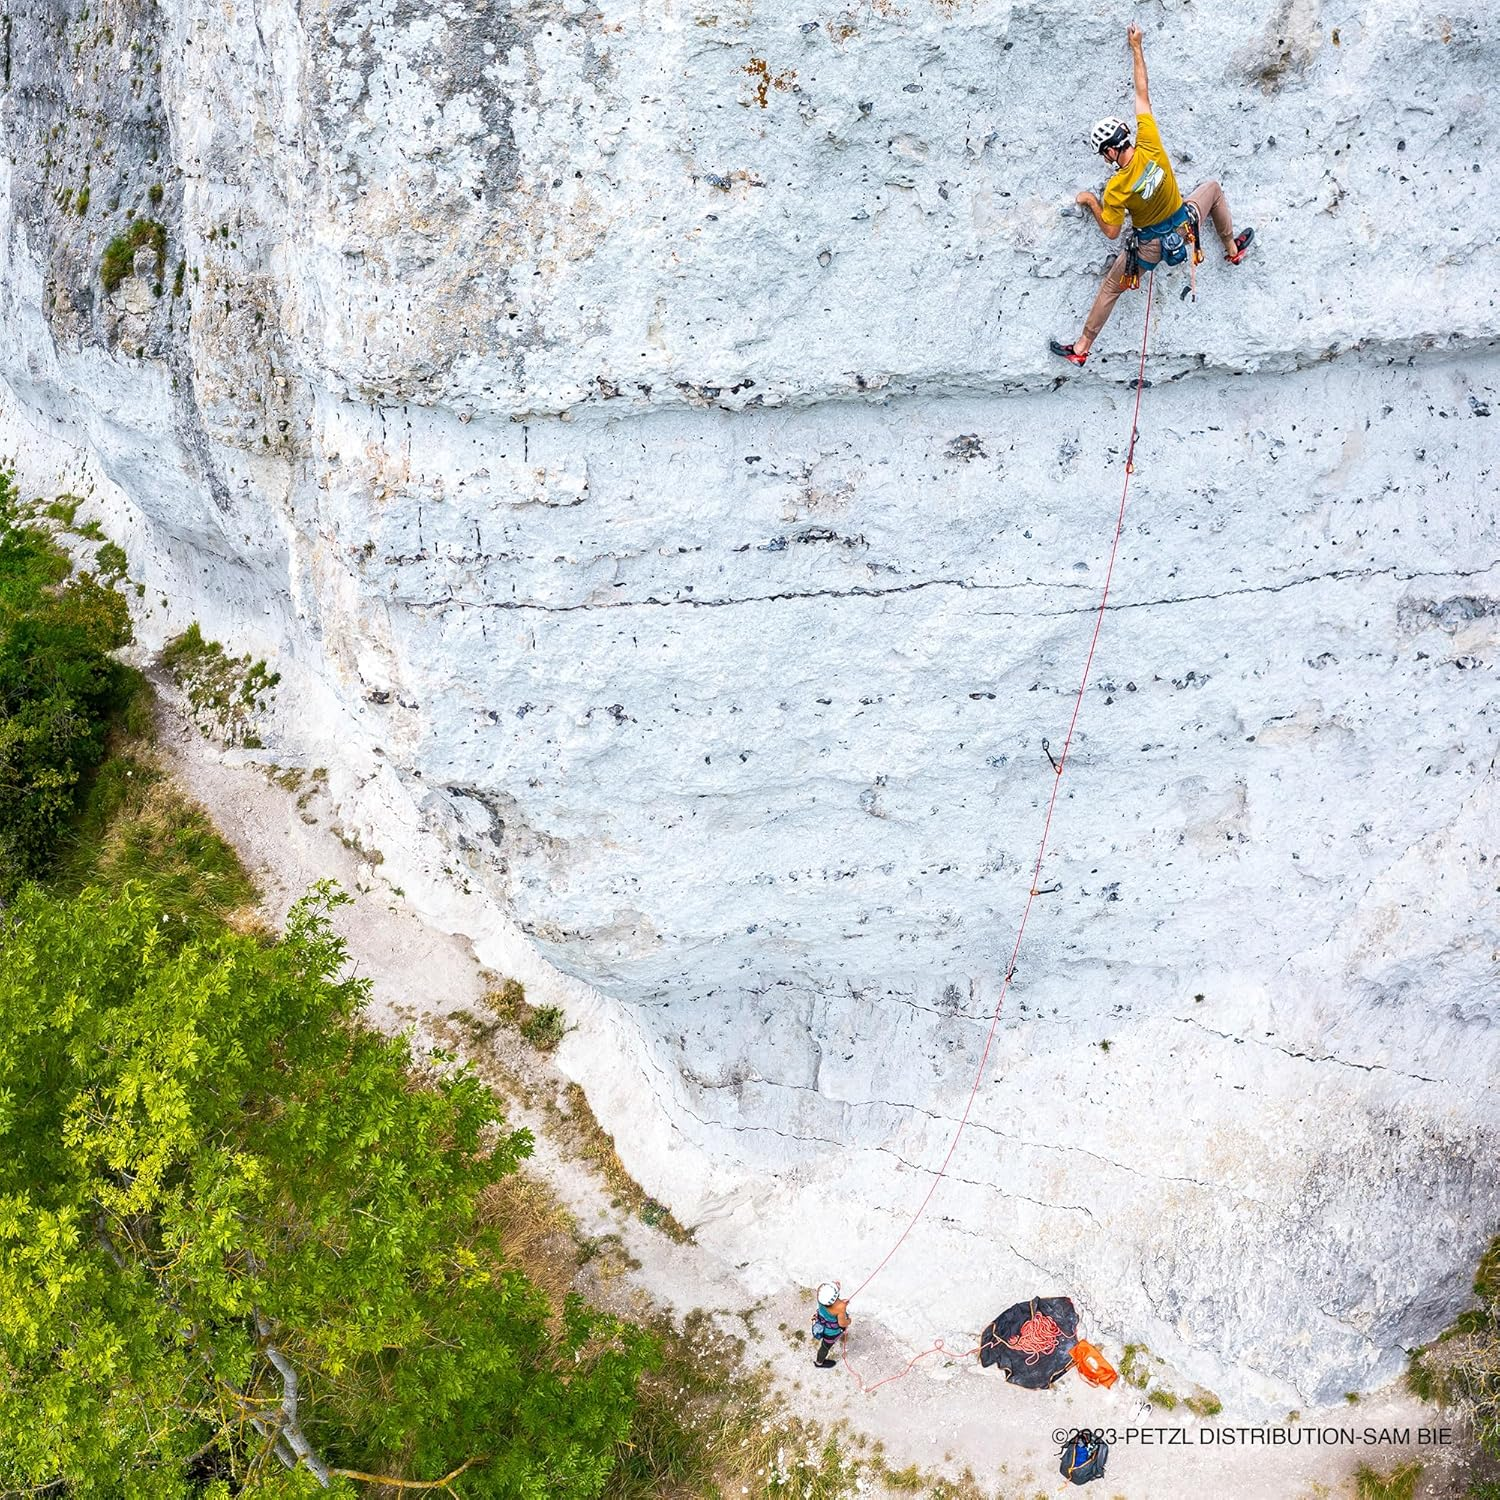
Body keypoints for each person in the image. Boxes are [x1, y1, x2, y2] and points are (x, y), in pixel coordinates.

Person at [1050, 23, 1254, 367]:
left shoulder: (1116, 188)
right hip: (1185, 226)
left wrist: (1091, 202)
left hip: (1149, 248)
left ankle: (1083, 347)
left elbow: (1113, 232)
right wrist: (1136, 46)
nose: (1104, 159)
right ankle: (1232, 250)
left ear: (1112, 151)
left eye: (1104, 153)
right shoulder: (1149, 141)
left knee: (1111, 289)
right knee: (1213, 190)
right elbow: (1141, 93)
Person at [810, 1281, 849, 1368]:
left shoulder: (820, 1295)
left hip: (821, 1323)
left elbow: (821, 1287)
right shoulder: (840, 1307)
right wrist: (849, 1321)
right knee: (825, 1347)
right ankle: (819, 1363)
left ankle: (819, 1361)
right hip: (831, 1333)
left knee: (824, 1345)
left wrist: (840, 1302)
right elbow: (842, 1323)